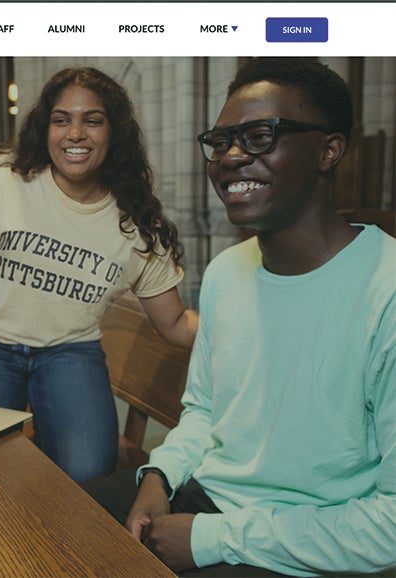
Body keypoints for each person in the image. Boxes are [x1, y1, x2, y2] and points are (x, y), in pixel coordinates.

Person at [83, 58, 396, 576]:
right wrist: (158, 477)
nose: (229, 156)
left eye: (257, 136)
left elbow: (389, 525)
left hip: (298, 542)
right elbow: (206, 410)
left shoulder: (385, 292)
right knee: (47, 520)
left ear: (328, 150)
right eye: (221, 140)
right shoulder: (228, 272)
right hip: (204, 492)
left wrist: (215, 538)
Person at [0, 67, 197, 483]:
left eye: (92, 120)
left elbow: (174, 322)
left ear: (114, 132)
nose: (75, 134)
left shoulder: (136, 224)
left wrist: (241, 331)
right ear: (45, 128)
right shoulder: (4, 185)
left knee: (88, 473)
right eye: (61, 119)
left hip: (71, 353)